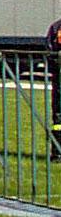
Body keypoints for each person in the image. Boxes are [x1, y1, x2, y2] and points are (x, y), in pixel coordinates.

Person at [47, 12, 61, 161]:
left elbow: (50, 53)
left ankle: (57, 153)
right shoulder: (57, 27)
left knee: (58, 118)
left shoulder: (56, 27)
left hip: (59, 80)